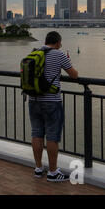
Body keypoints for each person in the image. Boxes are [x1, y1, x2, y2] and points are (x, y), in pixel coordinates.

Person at [29, 31, 78, 182]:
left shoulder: (34, 52)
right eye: (60, 43)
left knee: (36, 133)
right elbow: (74, 75)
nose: (61, 45)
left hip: (33, 99)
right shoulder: (59, 54)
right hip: (51, 101)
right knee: (52, 136)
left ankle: (38, 169)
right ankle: (52, 172)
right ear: (57, 42)